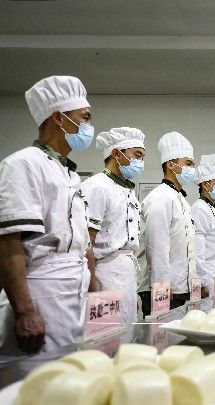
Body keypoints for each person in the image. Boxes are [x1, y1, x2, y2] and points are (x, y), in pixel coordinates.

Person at [0, 76, 93, 355]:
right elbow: (8, 243)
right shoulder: (23, 164)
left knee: (70, 369)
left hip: (74, 290)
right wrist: (25, 311)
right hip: (42, 291)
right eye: (85, 117)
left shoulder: (70, 173)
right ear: (59, 118)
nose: (88, 126)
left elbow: (82, 242)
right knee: (38, 373)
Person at [81, 127, 146, 324]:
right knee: (107, 336)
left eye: (143, 157)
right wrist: (93, 292)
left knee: (127, 332)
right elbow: (85, 244)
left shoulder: (127, 190)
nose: (141, 162)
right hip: (104, 273)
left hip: (126, 272)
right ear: (116, 154)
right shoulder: (97, 187)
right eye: (137, 155)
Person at [137, 132, 197, 315]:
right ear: (171, 164)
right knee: (161, 334)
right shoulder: (160, 198)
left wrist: (193, 284)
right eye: (188, 163)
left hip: (181, 289)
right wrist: (161, 287)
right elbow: (156, 248)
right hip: (164, 291)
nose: (192, 169)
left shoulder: (181, 200)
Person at [192, 155, 215, 297]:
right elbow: (197, 251)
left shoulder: (212, 209)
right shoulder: (200, 208)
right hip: (206, 278)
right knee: (205, 310)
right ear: (205, 185)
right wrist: (201, 283)